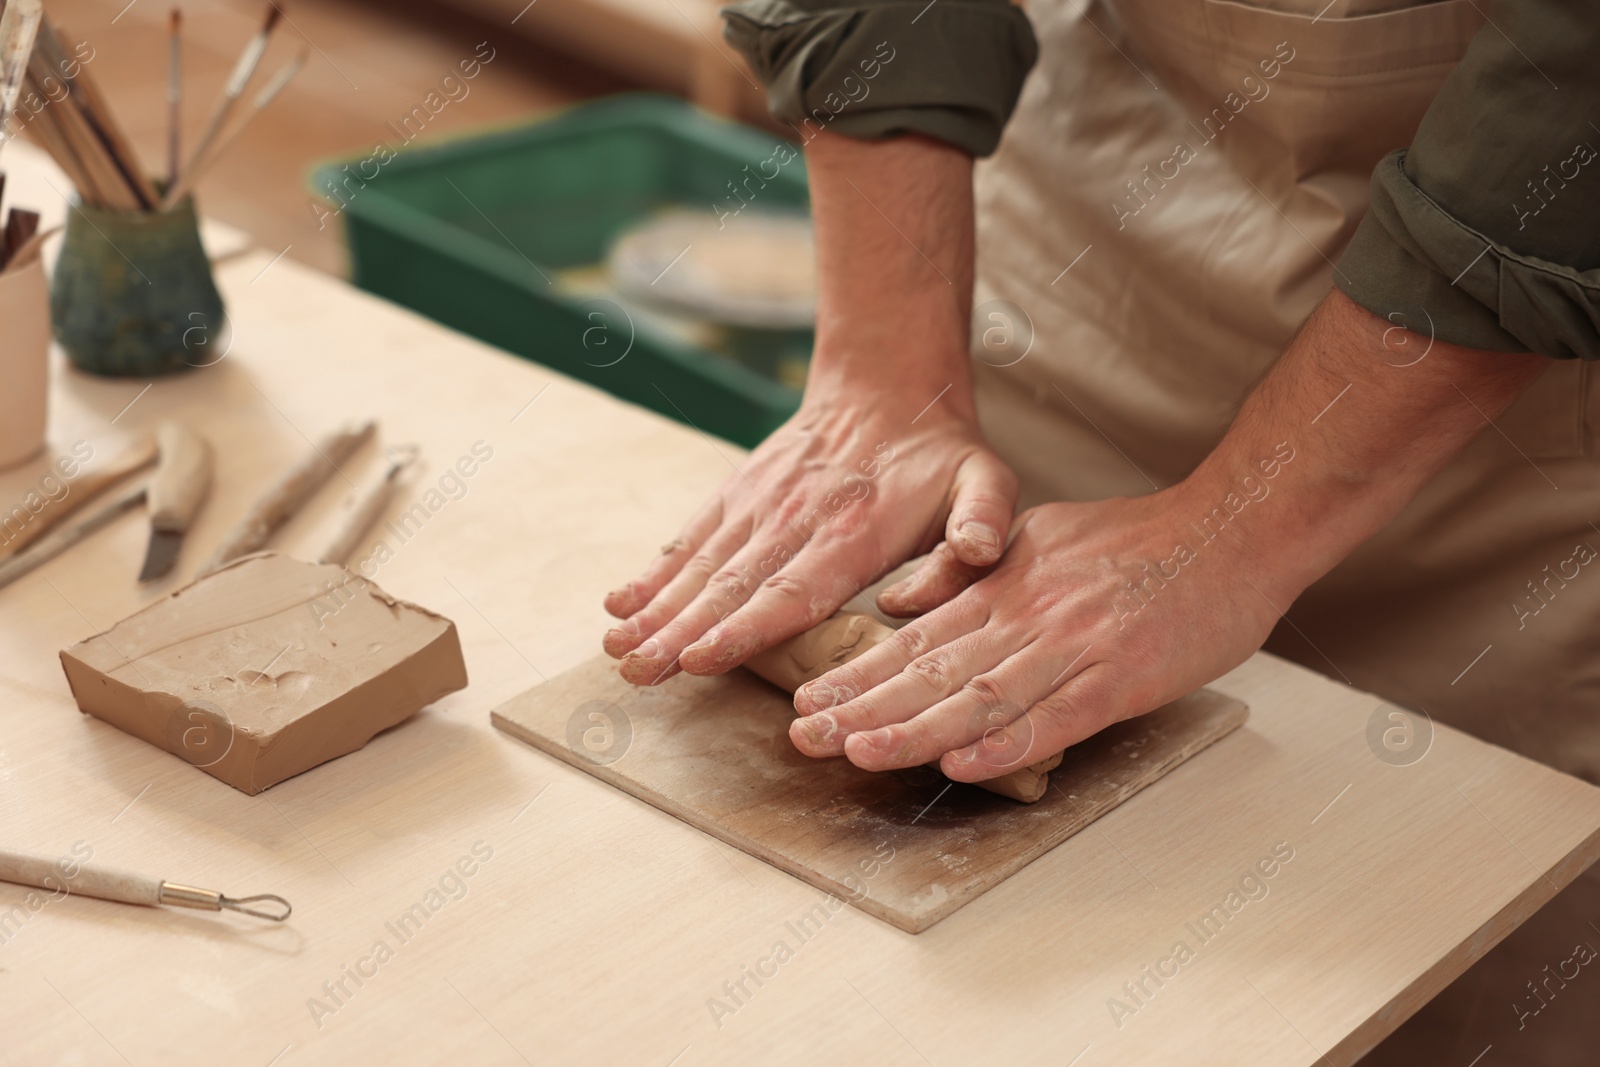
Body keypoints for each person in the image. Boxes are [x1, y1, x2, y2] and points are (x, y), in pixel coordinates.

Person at [603, 1, 1597, 1058]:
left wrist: (1235, 536)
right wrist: (885, 370)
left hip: (1499, 439)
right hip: (1094, 247)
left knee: (1418, 958)